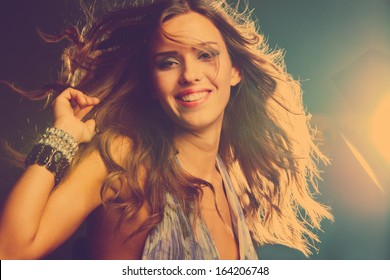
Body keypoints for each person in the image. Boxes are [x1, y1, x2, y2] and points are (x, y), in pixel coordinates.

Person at [0, 0, 333, 260]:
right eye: (168, 62)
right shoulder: (125, 159)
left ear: (235, 71)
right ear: (152, 80)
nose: (189, 74)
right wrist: (63, 136)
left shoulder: (230, 179)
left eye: (206, 55)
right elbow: (11, 252)